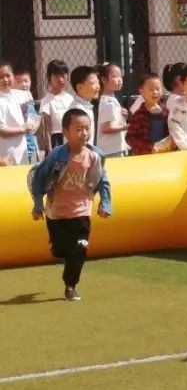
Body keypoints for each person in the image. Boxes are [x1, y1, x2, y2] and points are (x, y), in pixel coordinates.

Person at [29, 108, 112, 302]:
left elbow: (103, 179)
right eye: (79, 129)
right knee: (60, 250)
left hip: (82, 210)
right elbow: (38, 178)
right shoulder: (57, 156)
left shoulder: (94, 156)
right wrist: (38, 204)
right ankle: (57, 249)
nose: (84, 133)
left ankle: (71, 285)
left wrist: (105, 202)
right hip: (57, 212)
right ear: (66, 132)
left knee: (80, 248)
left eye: (87, 128)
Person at [126, 73, 170, 156]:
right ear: (141, 91)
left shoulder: (166, 111)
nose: (155, 92)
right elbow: (130, 137)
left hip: (165, 154)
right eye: (151, 89)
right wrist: (148, 148)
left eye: (158, 89)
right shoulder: (139, 114)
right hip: (146, 156)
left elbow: (171, 131)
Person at [0, 61, 32, 166]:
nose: (5, 80)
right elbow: (2, 130)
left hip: (20, 154)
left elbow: (29, 99)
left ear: (13, 77)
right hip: (6, 156)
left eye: (8, 76)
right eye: (1, 77)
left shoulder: (13, 97)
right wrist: (23, 129)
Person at [95, 63, 128, 158]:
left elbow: (112, 122)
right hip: (110, 151)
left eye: (120, 76)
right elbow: (105, 128)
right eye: (115, 76)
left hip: (114, 148)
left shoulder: (111, 100)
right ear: (104, 80)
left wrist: (123, 117)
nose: (119, 79)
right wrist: (125, 127)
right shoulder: (108, 102)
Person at [39, 59, 72, 152]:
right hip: (56, 140)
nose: (61, 79)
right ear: (50, 77)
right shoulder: (46, 101)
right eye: (56, 76)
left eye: (63, 75)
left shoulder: (70, 98)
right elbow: (47, 129)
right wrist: (50, 151)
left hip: (70, 138)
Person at [12, 70, 39, 163]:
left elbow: (33, 127)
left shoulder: (30, 102)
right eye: (18, 81)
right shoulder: (12, 102)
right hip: (19, 149)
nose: (23, 84)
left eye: (26, 81)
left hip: (31, 149)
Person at [69, 66, 100, 145]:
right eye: (93, 83)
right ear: (79, 87)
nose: (98, 86)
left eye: (98, 82)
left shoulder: (86, 106)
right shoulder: (77, 110)